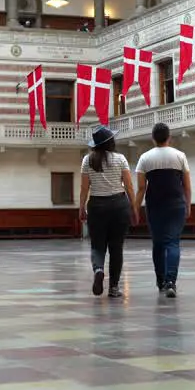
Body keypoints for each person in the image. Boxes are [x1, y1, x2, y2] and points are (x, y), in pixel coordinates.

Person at [135, 123, 192, 298]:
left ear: (153, 138)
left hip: (155, 205)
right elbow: (187, 186)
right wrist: (188, 205)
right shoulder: (179, 156)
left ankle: (160, 281)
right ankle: (171, 282)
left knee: (158, 244)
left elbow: (142, 188)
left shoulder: (145, 158)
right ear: (169, 137)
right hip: (176, 205)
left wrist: (135, 208)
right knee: (173, 242)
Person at [80, 127, 137, 298]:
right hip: (119, 205)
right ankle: (113, 287)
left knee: (97, 245)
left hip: (97, 205)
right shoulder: (120, 159)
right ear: (111, 143)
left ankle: (98, 269)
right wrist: (134, 208)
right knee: (116, 248)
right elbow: (129, 186)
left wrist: (81, 207)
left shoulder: (87, 160)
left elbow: (84, 188)